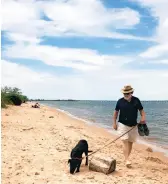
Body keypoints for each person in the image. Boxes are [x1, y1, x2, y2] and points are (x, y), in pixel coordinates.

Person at [112, 85, 146, 167]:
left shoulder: (136, 100)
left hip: (133, 126)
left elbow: (142, 111)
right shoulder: (120, 101)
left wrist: (143, 118)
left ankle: (127, 158)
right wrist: (114, 123)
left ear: (131, 93)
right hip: (122, 124)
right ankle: (127, 160)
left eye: (127, 93)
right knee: (125, 141)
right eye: (124, 93)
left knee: (130, 143)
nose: (126, 95)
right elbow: (116, 113)